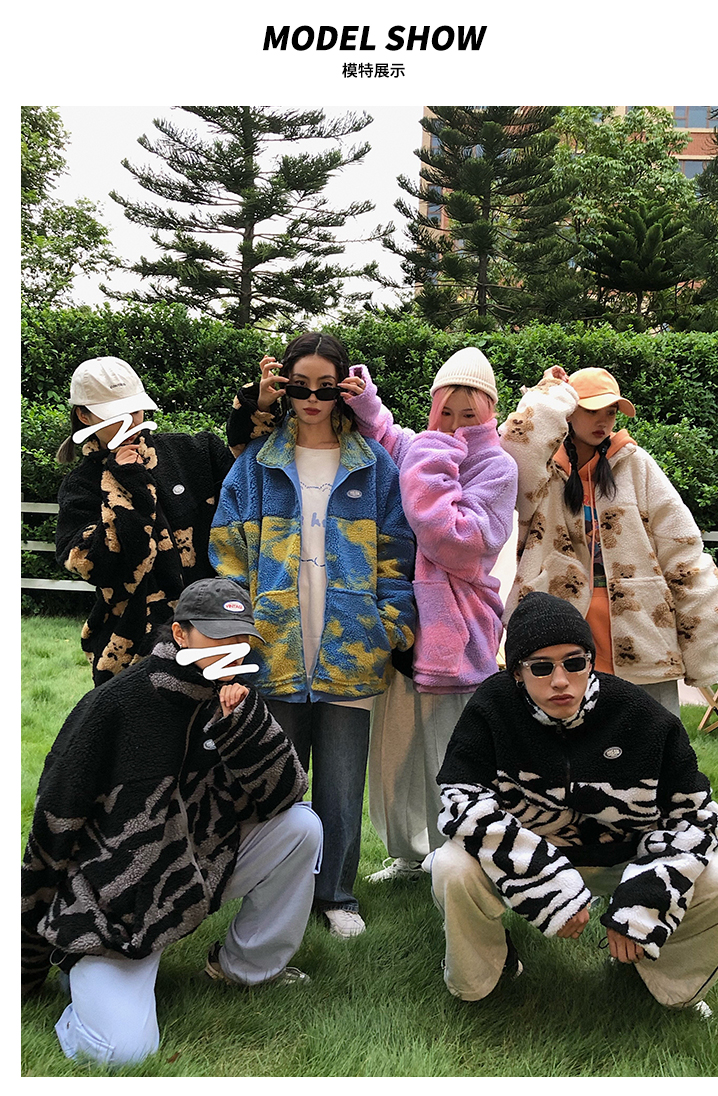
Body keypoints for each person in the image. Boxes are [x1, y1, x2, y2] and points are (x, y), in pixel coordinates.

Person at [21, 577, 323, 1066]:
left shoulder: (237, 696)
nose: (232, 648)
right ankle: (75, 968)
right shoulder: (116, 703)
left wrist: (242, 726)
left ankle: (244, 968)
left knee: (302, 828)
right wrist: (27, 958)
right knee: (120, 1053)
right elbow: (53, 825)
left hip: (199, 868)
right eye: (217, 635)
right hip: (119, 904)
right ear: (180, 633)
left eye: (241, 637)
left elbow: (285, 794)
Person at [427, 591, 718, 1013]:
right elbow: (460, 800)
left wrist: (642, 903)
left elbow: (698, 819)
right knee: (451, 866)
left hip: (623, 857)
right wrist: (547, 885)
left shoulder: (642, 717)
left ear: (590, 661)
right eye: (541, 667)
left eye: (574, 662)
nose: (560, 680)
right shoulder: (491, 708)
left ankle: (661, 977)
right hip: (530, 854)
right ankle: (484, 977)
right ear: (517, 673)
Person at [209, 332, 416, 938]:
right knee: (277, 780)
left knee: (342, 784)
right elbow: (228, 557)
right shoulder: (256, 465)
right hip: (273, 646)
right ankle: (277, 891)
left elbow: (398, 554)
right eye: (301, 387)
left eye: (326, 388)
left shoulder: (374, 465)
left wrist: (388, 626)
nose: (313, 399)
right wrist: (236, 636)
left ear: (345, 392)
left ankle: (336, 895)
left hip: (352, 647)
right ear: (284, 389)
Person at [341, 346, 518, 882]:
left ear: (489, 413)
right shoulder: (420, 447)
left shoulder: (498, 466)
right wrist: (367, 404)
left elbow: (458, 541)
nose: (455, 425)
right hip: (404, 627)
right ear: (433, 407)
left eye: (469, 414)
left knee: (451, 755)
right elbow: (388, 438)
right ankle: (408, 853)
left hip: (459, 634)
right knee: (395, 754)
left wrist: (436, 453)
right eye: (446, 412)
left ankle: (457, 857)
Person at [498, 365, 718, 716]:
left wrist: (701, 644)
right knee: (565, 736)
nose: (603, 421)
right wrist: (551, 393)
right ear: (569, 411)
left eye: (610, 411)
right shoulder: (543, 470)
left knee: (650, 731)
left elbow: (682, 547)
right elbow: (516, 445)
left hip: (641, 625)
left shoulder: (636, 464)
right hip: (560, 623)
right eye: (592, 410)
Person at [55, 356, 236, 686]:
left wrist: (254, 411)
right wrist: (128, 487)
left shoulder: (194, 452)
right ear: (83, 415)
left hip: (214, 636)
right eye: (114, 415)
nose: (129, 423)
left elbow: (254, 481)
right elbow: (100, 566)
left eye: (135, 411)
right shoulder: (81, 487)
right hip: (132, 652)